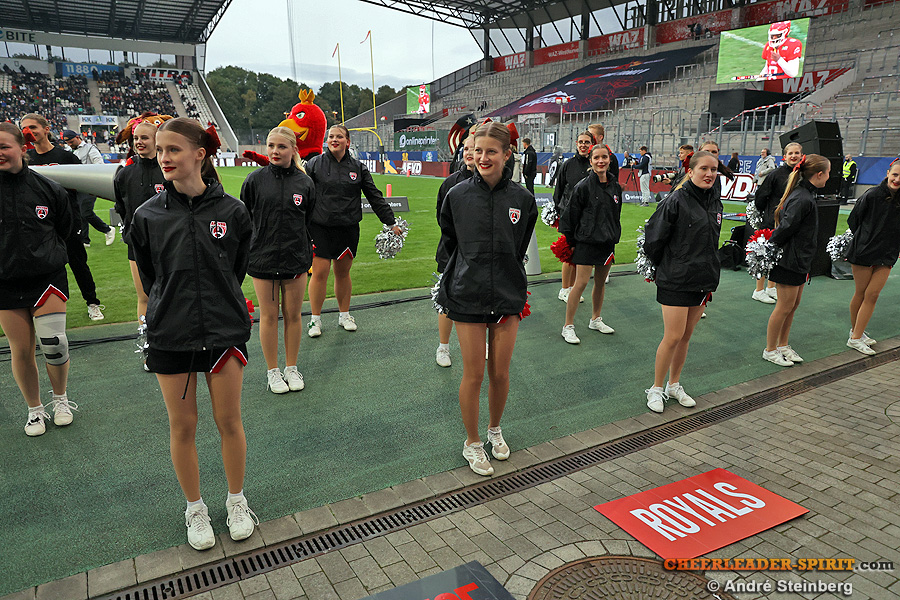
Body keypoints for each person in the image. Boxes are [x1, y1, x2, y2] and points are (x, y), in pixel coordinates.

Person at [130, 118, 257, 551]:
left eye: (173, 149)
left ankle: (236, 501)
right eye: (160, 150)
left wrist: (216, 303)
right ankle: (195, 509)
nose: (164, 157)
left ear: (200, 154)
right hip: (171, 334)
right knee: (182, 426)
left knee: (229, 421)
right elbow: (151, 279)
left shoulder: (233, 212)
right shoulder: (146, 216)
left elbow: (235, 270)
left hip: (224, 330)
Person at [436, 122, 537, 476]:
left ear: (507, 154)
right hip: (467, 294)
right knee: (474, 374)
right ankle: (473, 442)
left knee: (500, 372)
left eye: (491, 151)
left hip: (507, 293)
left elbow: (519, 246)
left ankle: (495, 429)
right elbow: (450, 241)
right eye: (478, 151)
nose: (482, 157)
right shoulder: (457, 195)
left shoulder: (523, 199)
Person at [0, 122, 77, 436]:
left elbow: (65, 230)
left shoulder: (49, 188)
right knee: (20, 350)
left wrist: (45, 256)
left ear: (22, 148)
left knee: (55, 344)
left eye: (4, 146)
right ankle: (34, 410)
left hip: (47, 278)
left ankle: (61, 400)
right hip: (5, 282)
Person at [643, 152, 723, 413]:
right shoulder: (676, 199)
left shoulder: (714, 200)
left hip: (702, 279)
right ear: (690, 171)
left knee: (686, 336)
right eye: (704, 169)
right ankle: (656, 388)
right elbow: (654, 239)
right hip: (676, 279)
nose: (709, 174)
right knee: (673, 336)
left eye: (713, 169)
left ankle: (673, 384)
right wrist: (670, 266)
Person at [304, 125, 401, 336]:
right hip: (319, 228)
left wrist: (391, 222)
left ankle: (344, 315)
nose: (334, 139)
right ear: (327, 141)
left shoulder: (358, 167)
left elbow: (374, 196)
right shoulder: (314, 164)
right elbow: (302, 192)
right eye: (331, 136)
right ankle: (315, 320)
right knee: (319, 273)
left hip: (348, 229)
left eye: (339, 136)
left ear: (347, 142)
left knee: (342, 273)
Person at [240, 126, 316, 393]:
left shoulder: (305, 183)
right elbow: (245, 219)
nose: (275, 151)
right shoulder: (254, 180)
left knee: (293, 315)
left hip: (296, 259)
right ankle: (272, 372)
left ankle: (291, 368)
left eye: (281, 146)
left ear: (293, 149)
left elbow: (308, 221)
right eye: (271, 145)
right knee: (269, 316)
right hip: (263, 259)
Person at [22, 113, 105, 321]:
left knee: (78, 264)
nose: (29, 132)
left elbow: (82, 184)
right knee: (41, 267)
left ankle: (93, 303)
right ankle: (40, 309)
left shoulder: (66, 157)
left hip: (68, 221)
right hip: (39, 224)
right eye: (24, 128)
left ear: (46, 129)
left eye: (33, 127)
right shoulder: (26, 158)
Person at [763, 154, 831, 367]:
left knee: (793, 305)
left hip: (800, 259)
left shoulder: (805, 195)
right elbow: (785, 228)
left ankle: (783, 345)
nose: (829, 177)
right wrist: (769, 247)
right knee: (784, 307)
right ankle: (770, 349)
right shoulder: (802, 198)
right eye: (828, 173)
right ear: (818, 174)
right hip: (789, 260)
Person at [113, 119, 167, 371]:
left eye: (145, 137)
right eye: (136, 138)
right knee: (144, 296)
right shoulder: (125, 174)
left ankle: (175, 344)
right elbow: (122, 209)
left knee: (172, 292)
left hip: (169, 243)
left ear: (157, 140)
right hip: (137, 246)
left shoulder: (167, 168)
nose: (139, 142)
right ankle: (149, 348)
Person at [558, 143, 622, 344]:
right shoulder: (583, 187)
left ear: (609, 160)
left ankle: (595, 319)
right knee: (581, 284)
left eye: (604, 157)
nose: (600, 161)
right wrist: (572, 242)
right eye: (596, 158)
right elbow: (570, 217)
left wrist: (613, 235)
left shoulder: (615, 186)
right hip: (586, 242)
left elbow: (616, 215)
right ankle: (568, 326)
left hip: (607, 243)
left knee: (600, 283)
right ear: (591, 161)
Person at [844, 159, 900, 355]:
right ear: (887, 173)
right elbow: (853, 220)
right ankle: (855, 335)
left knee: (873, 294)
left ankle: (857, 334)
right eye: (895, 174)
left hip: (887, 253)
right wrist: (866, 238)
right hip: (864, 251)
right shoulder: (872, 194)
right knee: (861, 293)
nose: (897, 179)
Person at [434, 133, 477, 368]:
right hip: (451, 253)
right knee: (446, 300)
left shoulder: (492, 182)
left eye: (474, 148)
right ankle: (443, 347)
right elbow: (442, 219)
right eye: (466, 148)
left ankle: (481, 343)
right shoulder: (450, 183)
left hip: (479, 255)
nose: (469, 153)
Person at [752, 142, 803, 304]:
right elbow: (760, 197)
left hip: (789, 222)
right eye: (790, 153)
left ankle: (771, 287)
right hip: (771, 221)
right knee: (764, 255)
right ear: (784, 156)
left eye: (796, 153)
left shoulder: (803, 174)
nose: (793, 156)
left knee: (779, 255)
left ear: (801, 155)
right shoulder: (776, 174)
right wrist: (769, 214)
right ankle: (758, 290)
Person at [553, 131, 593, 303]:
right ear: (576, 143)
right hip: (569, 216)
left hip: (587, 218)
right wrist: (560, 213)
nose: (583, 145)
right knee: (568, 253)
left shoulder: (593, 164)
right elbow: (559, 191)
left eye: (587, 142)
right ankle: (564, 289)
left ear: (591, 144)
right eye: (581, 142)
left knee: (580, 254)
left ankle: (573, 289)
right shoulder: (567, 165)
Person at [61, 129, 114, 247]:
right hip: (75, 186)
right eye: (67, 142)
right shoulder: (68, 151)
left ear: (77, 137)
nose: (69, 144)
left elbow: (99, 165)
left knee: (85, 212)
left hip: (90, 184)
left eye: (71, 141)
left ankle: (107, 229)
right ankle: (85, 240)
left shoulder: (90, 149)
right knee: (80, 212)